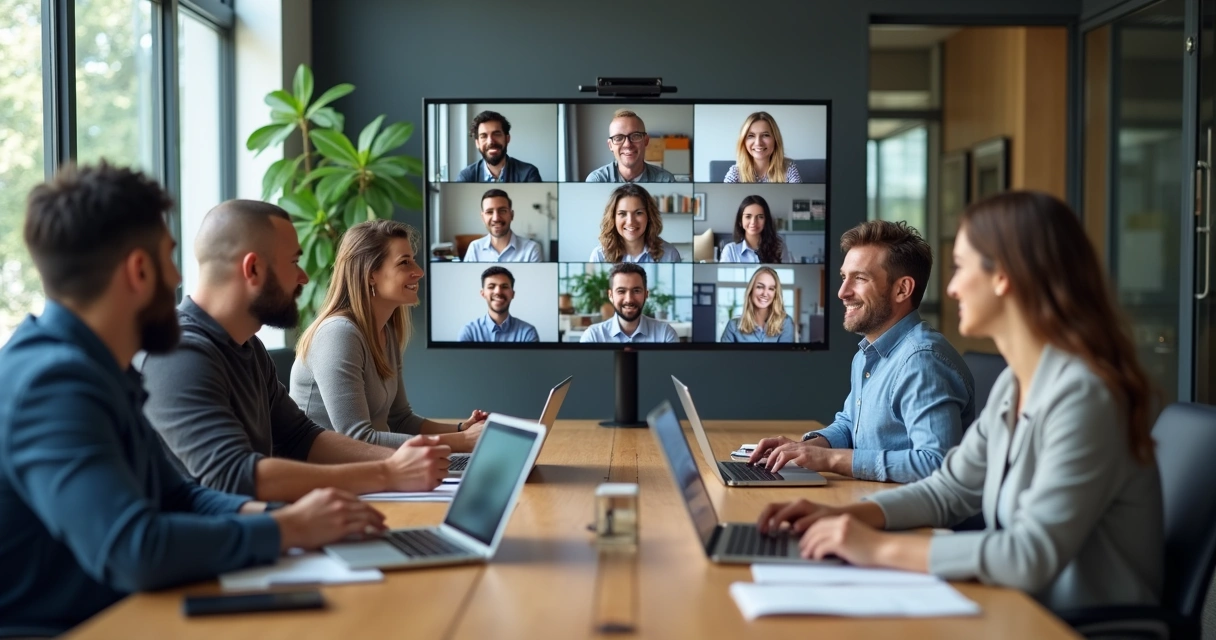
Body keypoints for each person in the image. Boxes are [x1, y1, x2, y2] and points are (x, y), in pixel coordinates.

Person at [0, 163, 385, 637]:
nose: (180, 275)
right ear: (139, 271)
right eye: (169, 257)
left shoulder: (97, 369)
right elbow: (135, 549)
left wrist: (293, 517)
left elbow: (178, 496)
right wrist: (289, 531)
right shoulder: (52, 385)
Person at [757, 191, 1163, 613]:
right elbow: (950, 488)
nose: (950, 288)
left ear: (1003, 276)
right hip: (1017, 608)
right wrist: (845, 517)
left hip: (1072, 625)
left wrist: (877, 548)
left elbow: (1030, 556)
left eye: (961, 267)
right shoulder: (1015, 385)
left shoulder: (1084, 396)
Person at [141, 200, 451, 502]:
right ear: (253, 269)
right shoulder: (178, 354)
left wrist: (403, 462)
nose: (303, 277)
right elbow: (233, 476)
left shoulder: (249, 348)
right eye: (293, 262)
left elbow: (300, 436)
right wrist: (386, 473)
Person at [748, 220, 974, 483]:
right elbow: (850, 424)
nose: (842, 292)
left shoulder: (922, 361)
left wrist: (831, 460)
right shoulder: (868, 353)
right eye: (844, 277)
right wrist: (806, 448)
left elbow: (937, 464)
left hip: (917, 521)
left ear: (902, 289)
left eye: (860, 278)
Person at [290, 220, 490, 450]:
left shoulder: (386, 331)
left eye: (413, 260)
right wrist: (462, 442)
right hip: (323, 475)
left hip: (366, 469)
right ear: (370, 274)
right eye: (404, 262)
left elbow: (400, 419)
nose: (419, 271)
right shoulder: (338, 334)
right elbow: (357, 439)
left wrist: (462, 429)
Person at [580, 263, 677, 343]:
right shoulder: (593, 336)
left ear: (646, 294)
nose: (629, 299)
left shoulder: (665, 334)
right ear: (610, 295)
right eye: (621, 291)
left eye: (636, 291)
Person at [589, 184, 681, 263]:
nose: (630, 222)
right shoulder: (599, 256)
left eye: (638, 213)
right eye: (622, 214)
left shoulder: (670, 255)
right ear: (613, 218)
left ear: (649, 216)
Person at [586, 109, 676, 183]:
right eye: (618, 138)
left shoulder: (665, 180)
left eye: (635, 136)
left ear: (646, 141)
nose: (627, 144)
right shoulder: (596, 181)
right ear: (610, 145)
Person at [457, 266, 540, 342]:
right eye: (491, 286)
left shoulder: (528, 332)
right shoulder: (469, 331)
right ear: (483, 293)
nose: (498, 292)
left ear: (512, 294)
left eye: (504, 287)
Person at [455, 110, 542, 182]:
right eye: (484, 136)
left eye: (496, 134)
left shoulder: (528, 173)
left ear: (507, 138)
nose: (491, 141)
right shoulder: (466, 177)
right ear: (477, 143)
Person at [463, 188, 542, 262]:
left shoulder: (532, 249)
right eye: (489, 212)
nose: (496, 218)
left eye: (502, 211)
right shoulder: (474, 248)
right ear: (483, 218)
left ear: (511, 215)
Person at [723, 111, 801, 183]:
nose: (758, 143)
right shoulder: (736, 172)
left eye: (765, 135)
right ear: (743, 141)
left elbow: (799, 195)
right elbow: (724, 196)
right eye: (751, 136)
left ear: (775, 139)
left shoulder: (789, 168)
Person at [720, 267, 794, 343]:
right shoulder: (733, 326)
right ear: (751, 290)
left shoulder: (786, 323)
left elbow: (785, 355)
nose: (765, 293)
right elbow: (724, 354)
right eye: (760, 287)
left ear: (775, 294)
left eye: (771, 289)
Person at [718, 195, 794, 263]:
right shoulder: (730, 250)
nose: (753, 222)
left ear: (766, 220)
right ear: (740, 221)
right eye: (748, 216)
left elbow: (785, 277)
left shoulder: (779, 248)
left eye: (760, 217)